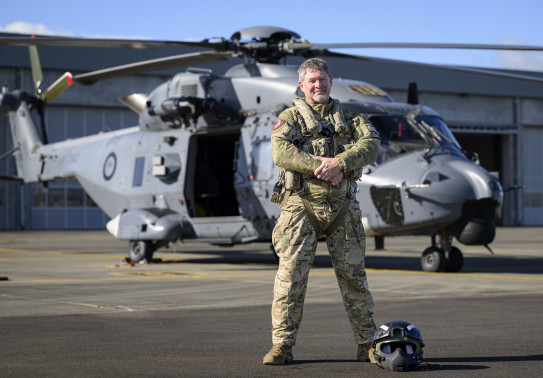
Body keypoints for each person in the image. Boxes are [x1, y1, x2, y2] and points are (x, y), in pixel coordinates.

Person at [263, 58, 381, 365]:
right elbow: (281, 151)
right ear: (302, 85)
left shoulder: (352, 118)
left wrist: (340, 163)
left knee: (354, 277)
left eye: (323, 79)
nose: (319, 85)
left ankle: (367, 343)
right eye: (312, 80)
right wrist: (323, 168)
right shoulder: (289, 117)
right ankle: (282, 346)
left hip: (343, 208)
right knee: (290, 279)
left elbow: (371, 144)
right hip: (301, 207)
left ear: (331, 81)